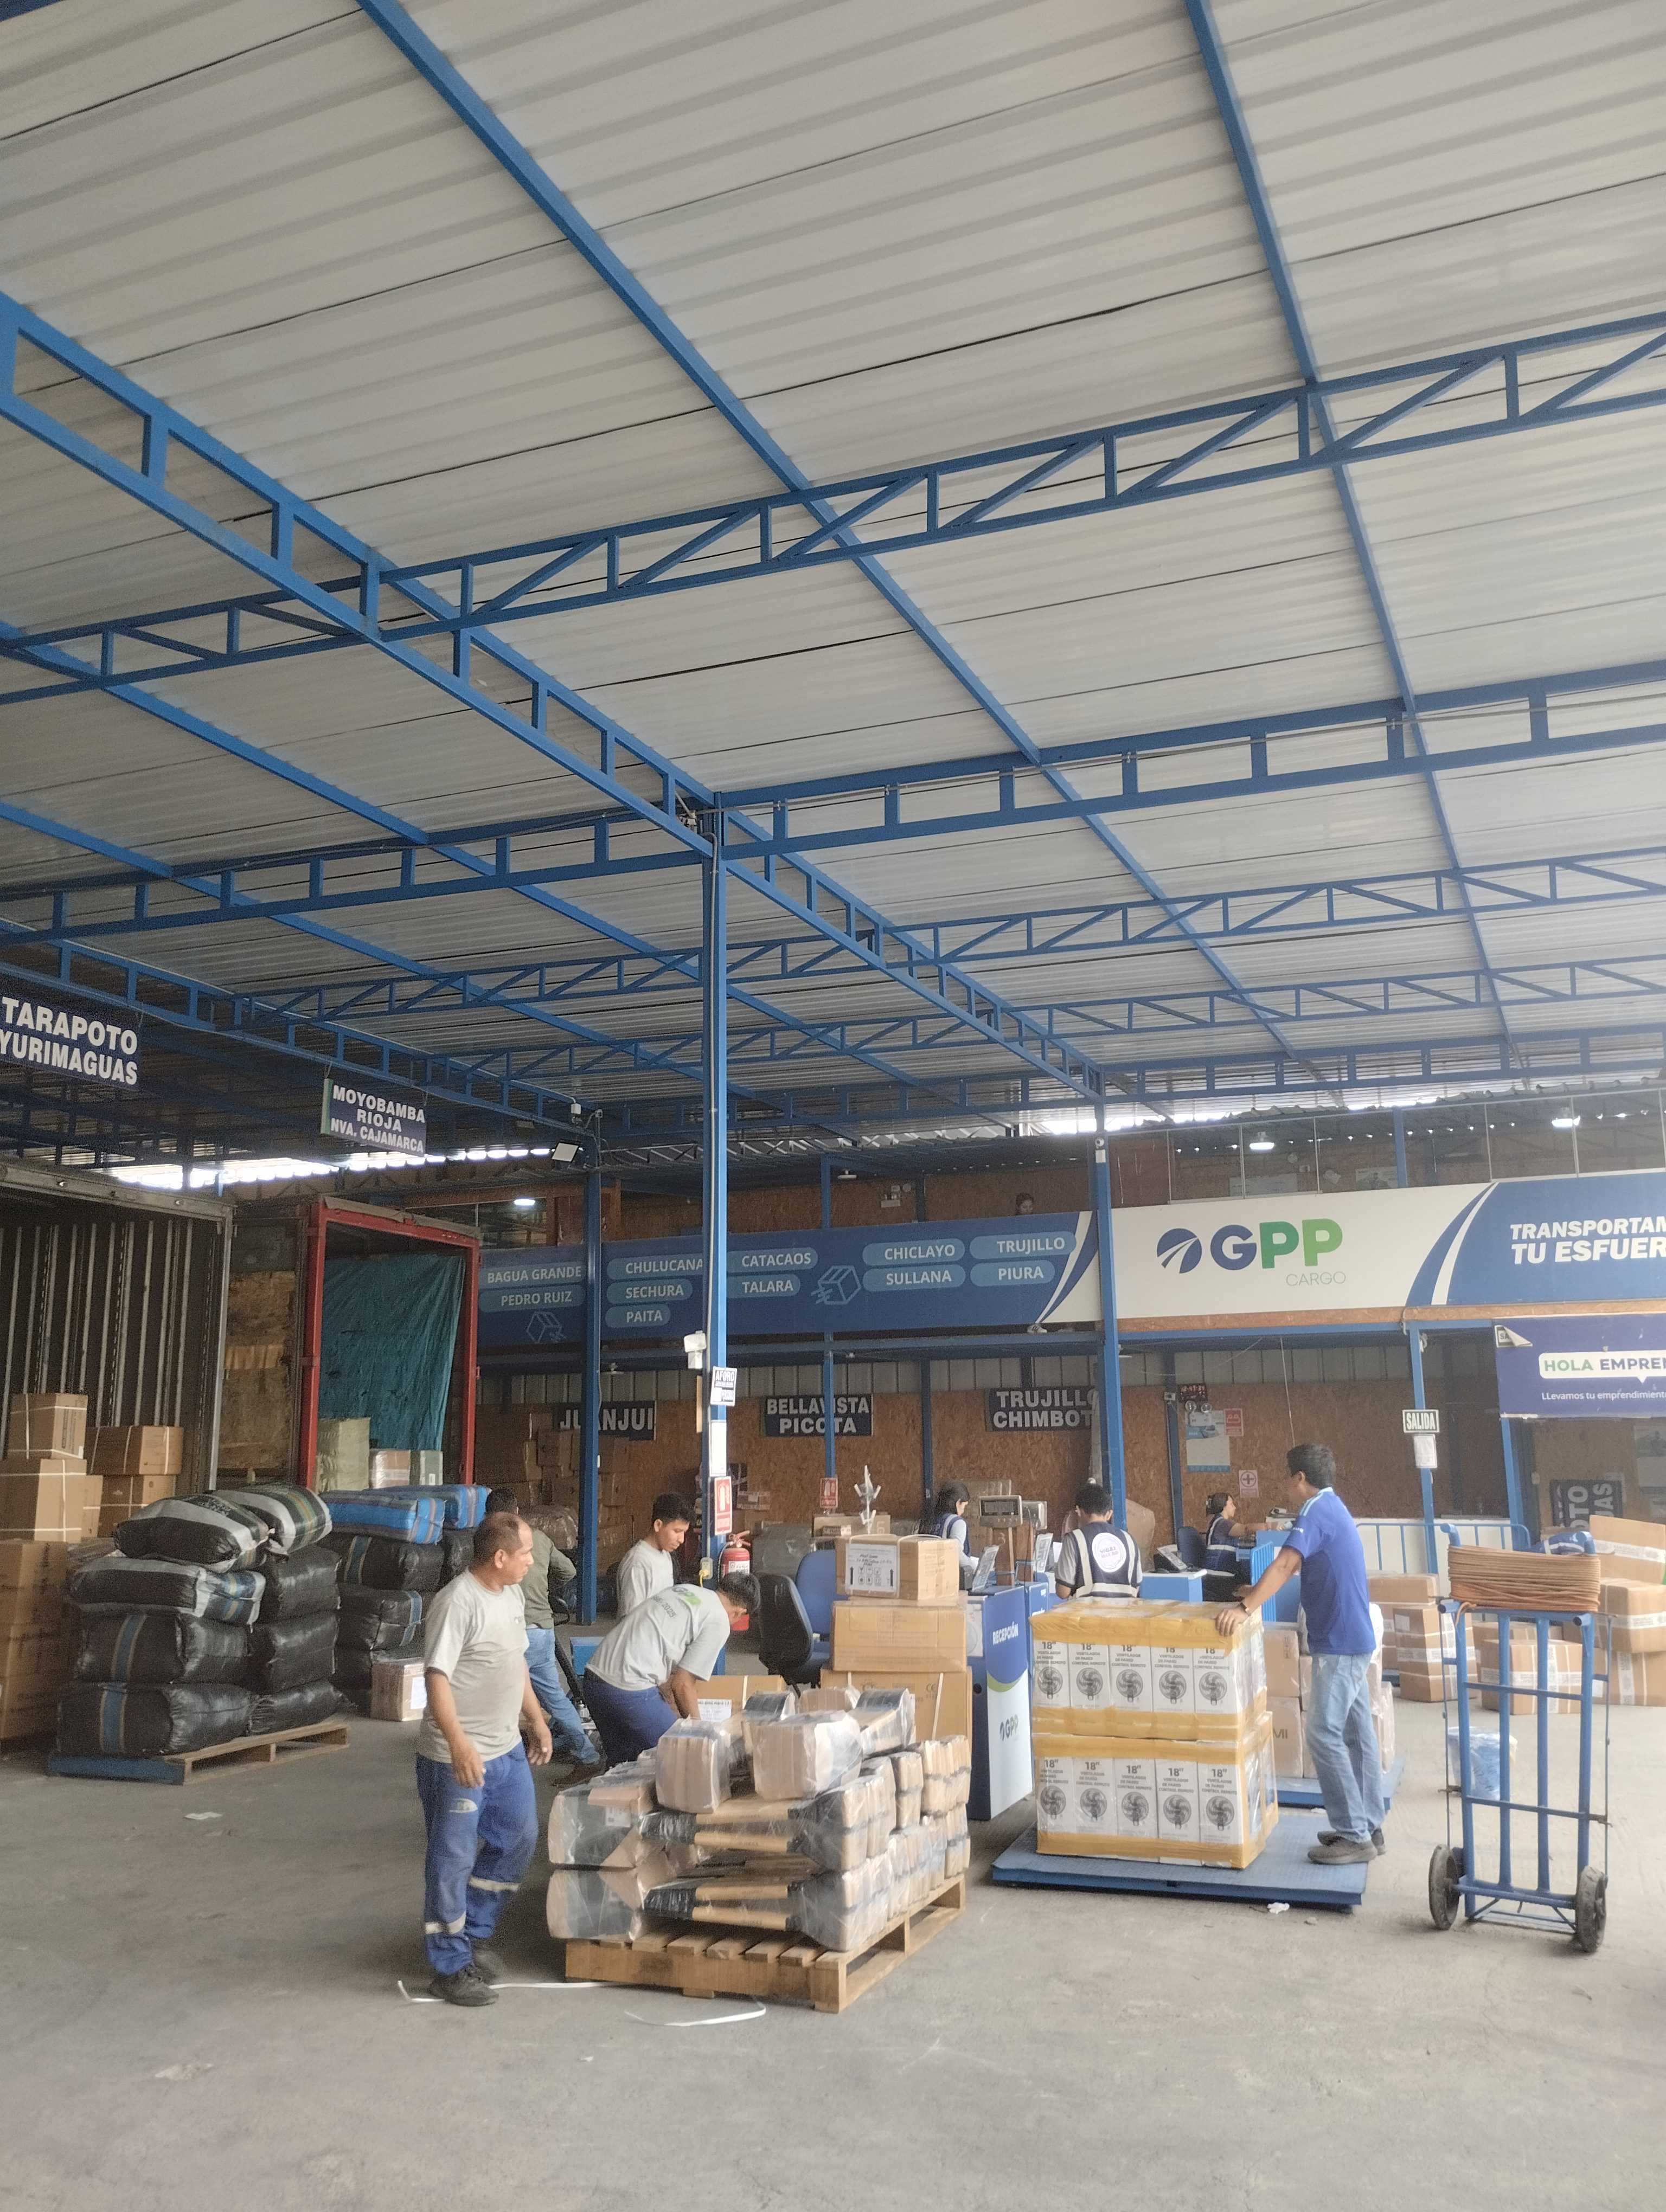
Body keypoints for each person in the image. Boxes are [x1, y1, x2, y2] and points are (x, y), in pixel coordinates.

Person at [1215, 1444, 1384, 1866]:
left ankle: (1354, 1834)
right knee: (1356, 1734)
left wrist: (1244, 1608)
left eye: (1289, 1479)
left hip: (1340, 1641)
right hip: (1352, 1635)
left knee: (1324, 1733)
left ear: (1299, 1478)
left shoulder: (1315, 1510)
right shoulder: (1334, 1507)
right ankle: (1368, 1825)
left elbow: (1285, 1565)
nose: (1288, 1487)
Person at [416, 1512, 552, 2009]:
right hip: (459, 1757)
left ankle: (473, 1932)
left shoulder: (510, 1595)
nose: (531, 1562)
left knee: (519, 1837)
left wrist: (535, 1719)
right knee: (451, 1859)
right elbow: (436, 1677)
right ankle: (449, 1967)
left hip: (505, 1747)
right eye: (525, 1554)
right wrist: (458, 1744)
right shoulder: (458, 1603)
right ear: (499, 1557)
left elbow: (515, 1663)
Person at [581, 1573, 760, 1765]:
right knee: (688, 1756)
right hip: (627, 1692)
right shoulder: (719, 1620)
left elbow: (669, 1671)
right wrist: (701, 1731)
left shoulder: (686, 1590)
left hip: (593, 1683)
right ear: (740, 1612)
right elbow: (682, 1685)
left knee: (624, 1766)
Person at [483, 1487, 598, 1772]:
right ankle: (584, 1753)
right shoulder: (538, 1538)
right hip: (543, 1629)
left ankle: (499, 1758)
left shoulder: (490, 1544)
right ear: (517, 1512)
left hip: (515, 1633)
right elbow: (569, 1571)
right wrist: (545, 1587)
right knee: (554, 1698)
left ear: (488, 1516)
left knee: (499, 1698)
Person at [1054, 1483, 1142, 1597]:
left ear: (1079, 1511)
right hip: (1125, 1609)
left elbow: (1063, 1592)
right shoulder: (1129, 1539)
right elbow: (1137, 1586)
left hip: (1086, 1609)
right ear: (1109, 1514)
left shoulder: (1074, 1539)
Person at [615, 1493, 694, 1615]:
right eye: (677, 1531)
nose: (682, 1540)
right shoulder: (638, 1563)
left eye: (684, 1532)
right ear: (658, 1525)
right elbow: (632, 1619)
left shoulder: (665, 1554)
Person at [924, 1480, 979, 1589]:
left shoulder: (931, 1521)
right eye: (964, 1505)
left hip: (929, 1578)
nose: (963, 1511)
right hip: (949, 1581)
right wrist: (976, 1569)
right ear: (958, 1503)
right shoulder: (957, 1522)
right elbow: (955, 1553)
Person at [1203, 1491, 1247, 1576]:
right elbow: (1245, 1529)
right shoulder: (1223, 1524)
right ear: (1223, 1506)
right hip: (1217, 1573)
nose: (1235, 1507)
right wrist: (1268, 1526)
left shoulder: (1218, 1521)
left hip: (1220, 1570)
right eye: (1231, 1504)